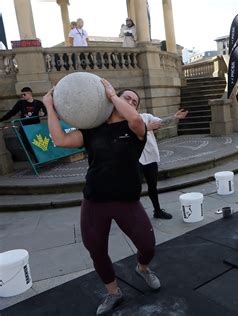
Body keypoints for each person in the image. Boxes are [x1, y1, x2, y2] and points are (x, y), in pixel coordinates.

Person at [43, 80, 160, 314]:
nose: (129, 102)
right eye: (125, 97)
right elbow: (60, 141)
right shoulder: (92, 129)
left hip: (127, 201)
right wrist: (48, 105)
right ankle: (114, 292)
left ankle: (143, 268)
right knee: (96, 249)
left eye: (133, 102)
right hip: (95, 200)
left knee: (148, 247)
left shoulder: (137, 129)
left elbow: (135, 119)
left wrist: (112, 96)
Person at [139, 108, 188, 220]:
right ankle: (133, 215)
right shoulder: (121, 121)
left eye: (134, 101)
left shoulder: (145, 117)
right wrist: (146, 128)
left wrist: (174, 117)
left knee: (153, 186)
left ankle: (157, 211)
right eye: (127, 99)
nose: (131, 102)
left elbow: (160, 123)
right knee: (135, 188)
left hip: (150, 158)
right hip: (135, 159)